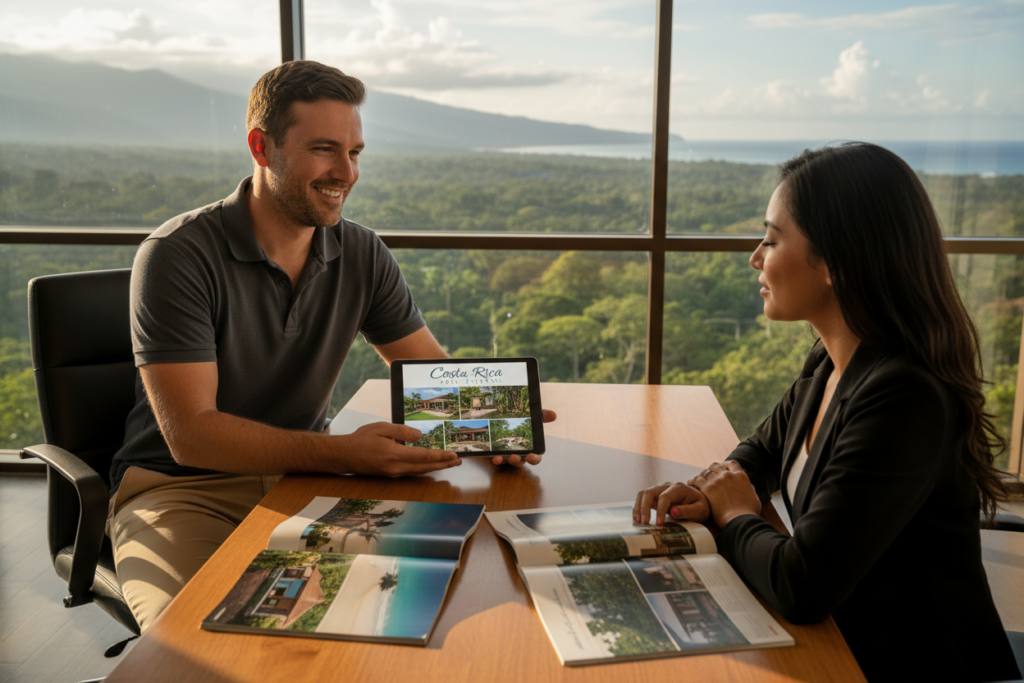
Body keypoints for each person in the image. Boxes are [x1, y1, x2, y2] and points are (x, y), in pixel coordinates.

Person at [106, 60, 552, 632]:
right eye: (324, 149)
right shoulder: (177, 254)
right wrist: (343, 453)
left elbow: (427, 373)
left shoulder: (361, 253)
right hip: (184, 489)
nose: (347, 172)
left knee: (403, 615)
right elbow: (192, 436)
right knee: (193, 641)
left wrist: (496, 424)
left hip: (307, 483)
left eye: (356, 152)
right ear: (262, 148)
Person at [634, 143, 1019, 682]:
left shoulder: (903, 397)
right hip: (843, 643)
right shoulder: (831, 357)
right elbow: (764, 451)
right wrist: (711, 489)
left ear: (835, 262)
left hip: (910, 663)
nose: (755, 258)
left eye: (770, 239)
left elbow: (802, 586)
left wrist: (734, 514)